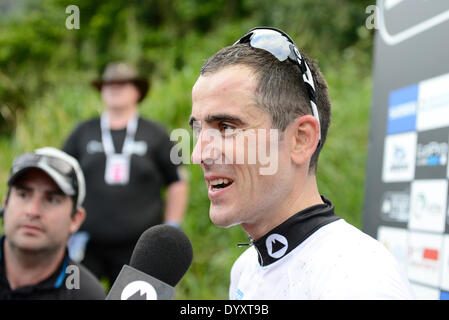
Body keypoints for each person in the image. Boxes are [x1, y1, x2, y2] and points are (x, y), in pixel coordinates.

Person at [189, 27, 415, 299]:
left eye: (225, 127)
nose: (198, 155)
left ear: (300, 139)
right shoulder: (245, 268)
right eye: (198, 130)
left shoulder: (358, 278)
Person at [63, 62, 188, 283]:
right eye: (108, 84)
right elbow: (63, 178)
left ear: (137, 91)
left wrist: (171, 226)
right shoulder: (83, 131)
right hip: (87, 243)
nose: (114, 88)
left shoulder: (156, 133)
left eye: (122, 84)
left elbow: (177, 181)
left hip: (138, 246)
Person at [0, 147, 106, 299]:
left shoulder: (86, 295)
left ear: (76, 219)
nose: (32, 211)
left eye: (52, 199)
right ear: (5, 204)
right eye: (23, 194)